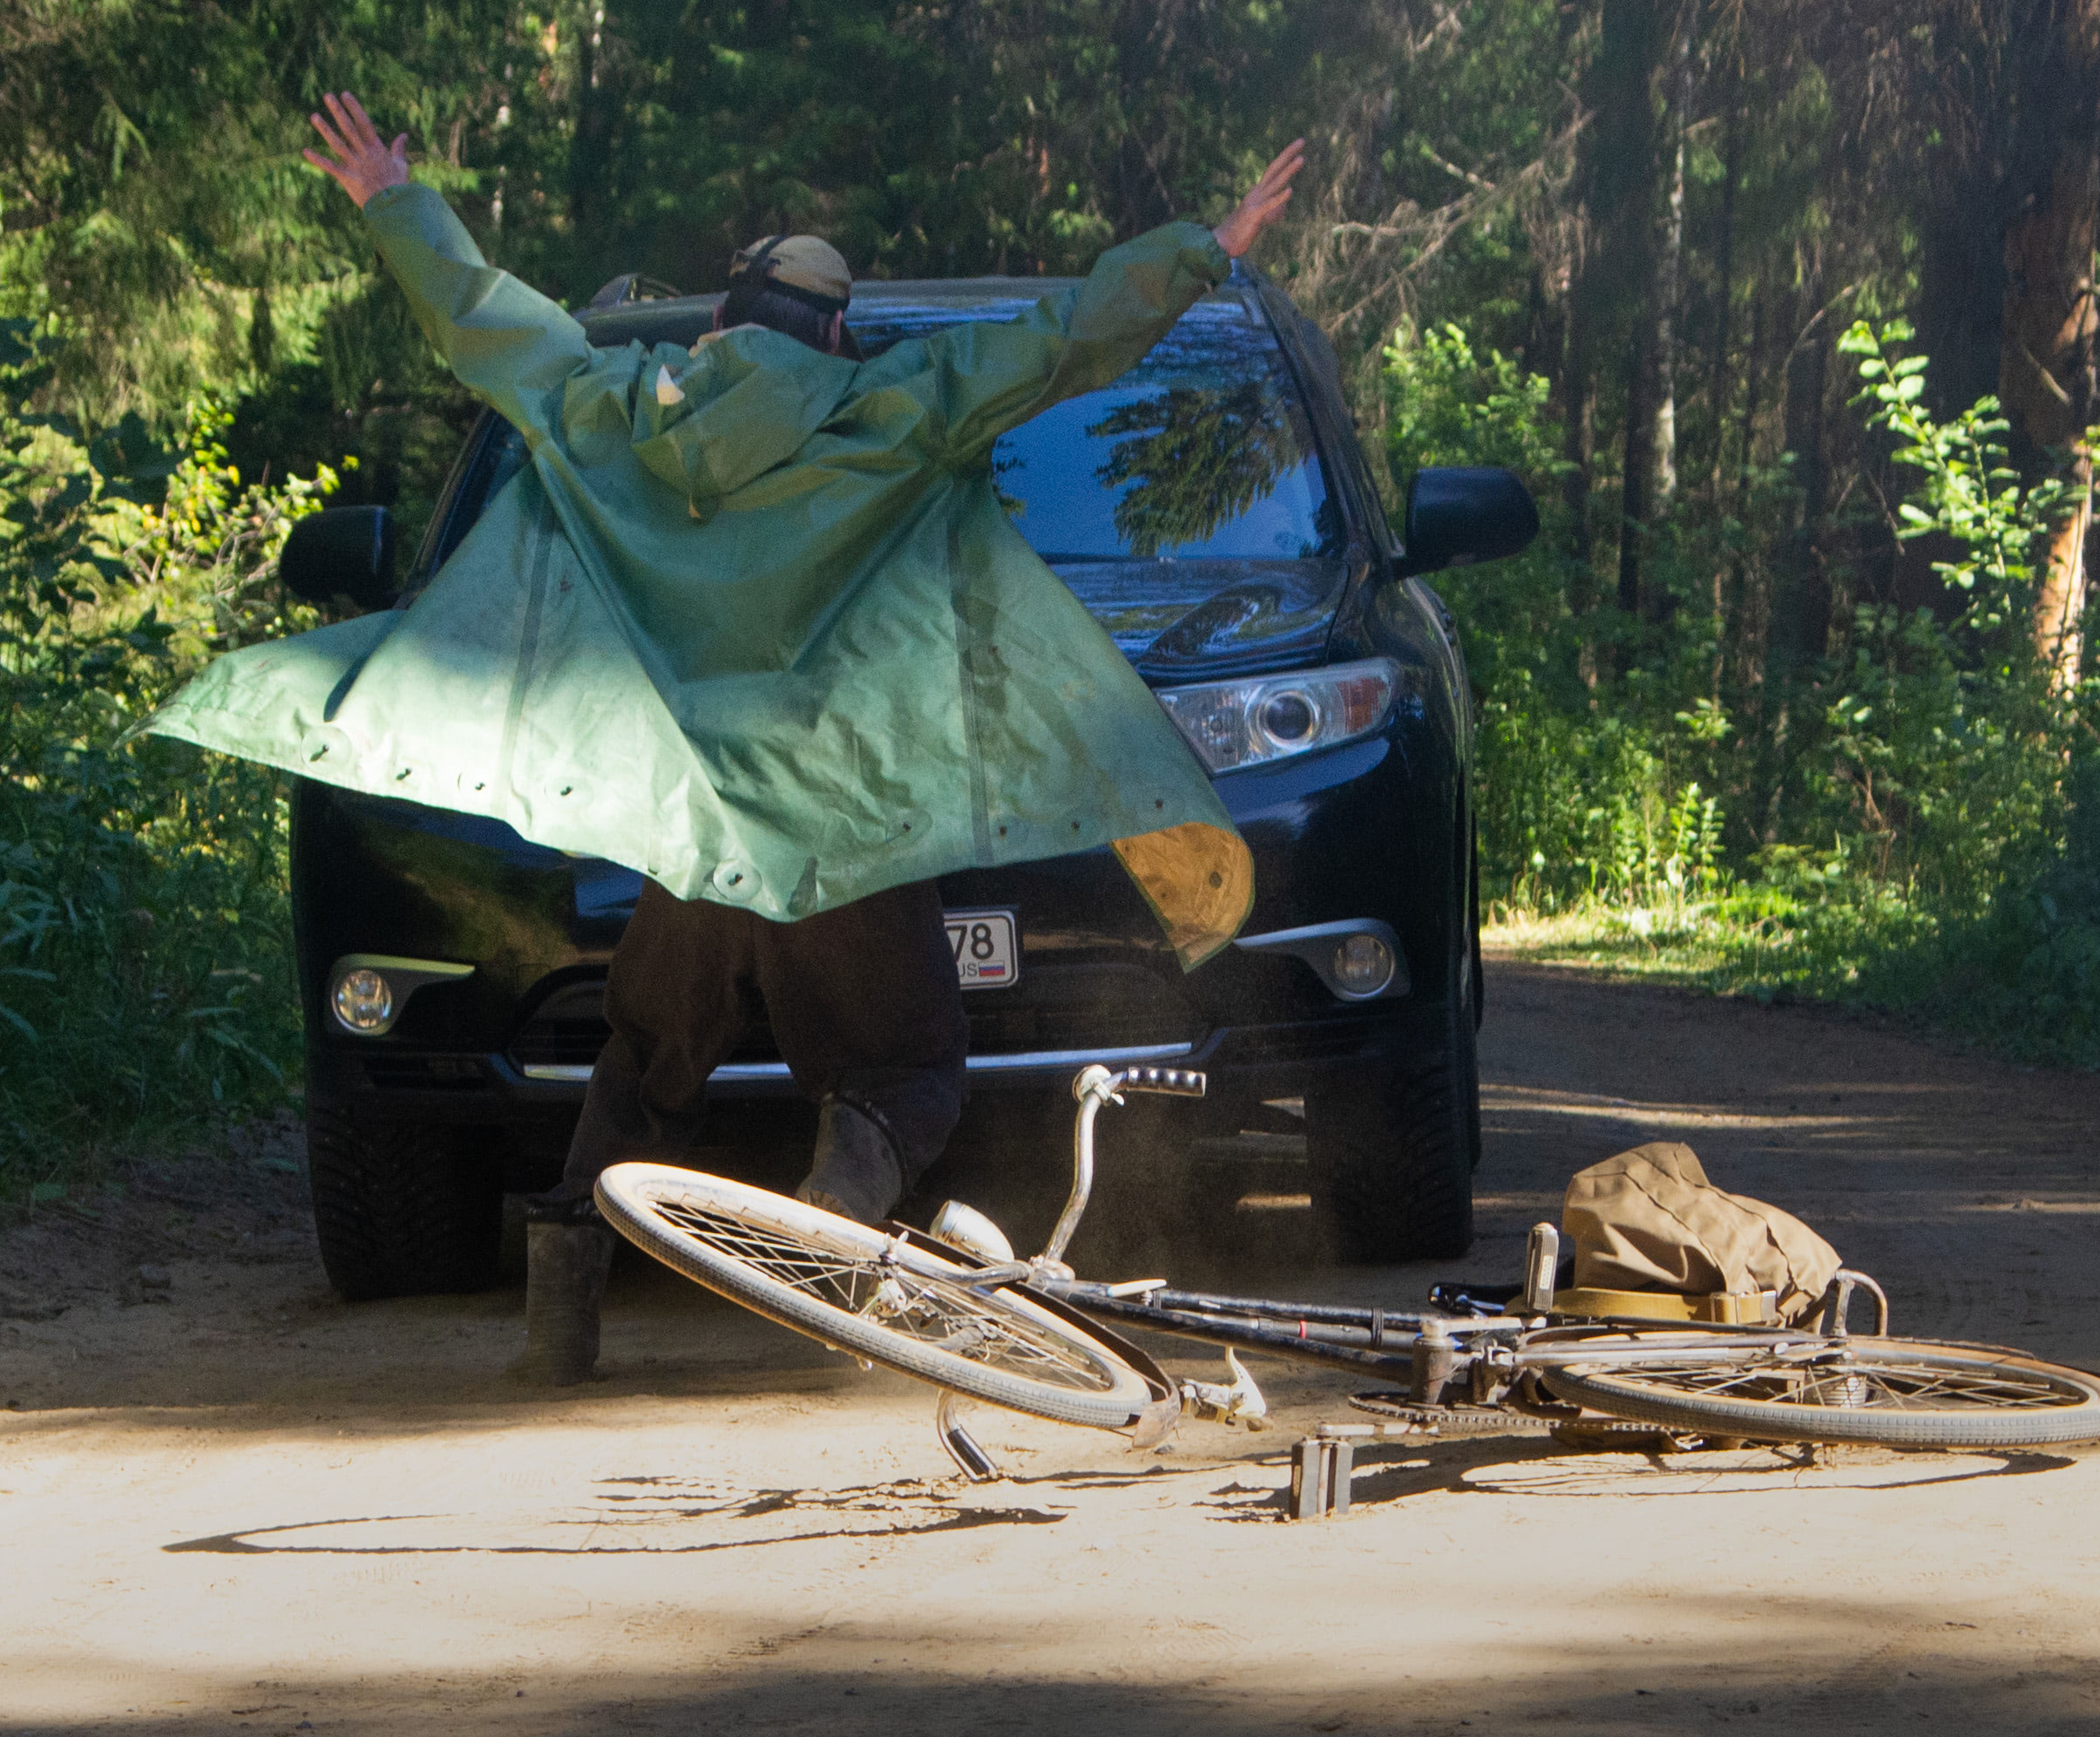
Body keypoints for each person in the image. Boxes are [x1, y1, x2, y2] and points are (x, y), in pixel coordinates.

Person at [145, 93, 1302, 1381]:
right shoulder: (893, 406)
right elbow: (1062, 342)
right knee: (905, 1071)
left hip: (693, 839)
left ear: (716, 326)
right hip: (849, 836)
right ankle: (821, 1268)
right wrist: (1208, 246)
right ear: (839, 331)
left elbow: (490, 327)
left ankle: (562, 1317)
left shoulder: (616, 407)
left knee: (641, 1061)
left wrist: (394, 200)